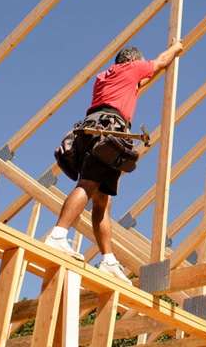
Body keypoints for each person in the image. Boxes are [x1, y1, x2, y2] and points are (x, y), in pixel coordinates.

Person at [45, 42, 183, 283]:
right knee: (87, 185)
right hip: (109, 131)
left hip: (91, 130)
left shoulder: (105, 77)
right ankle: (58, 235)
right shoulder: (133, 68)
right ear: (134, 62)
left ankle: (108, 260)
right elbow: (160, 62)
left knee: (102, 202)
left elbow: (137, 86)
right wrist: (177, 48)